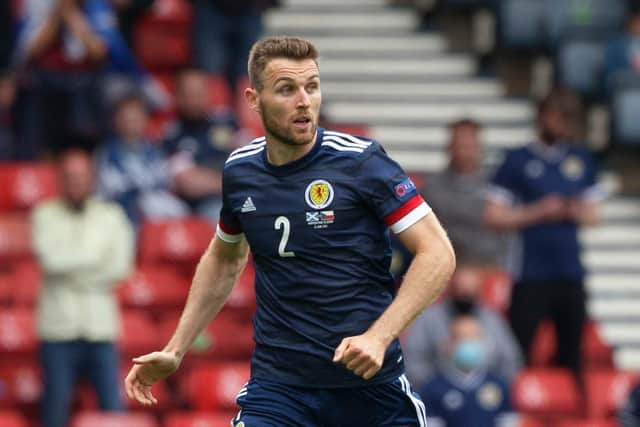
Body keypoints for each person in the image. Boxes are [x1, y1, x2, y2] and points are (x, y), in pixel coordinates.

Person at [124, 36, 456, 426]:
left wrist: (380, 336)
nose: (304, 101)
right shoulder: (240, 171)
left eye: (311, 87)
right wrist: (176, 348)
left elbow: (438, 253)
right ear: (253, 100)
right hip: (280, 388)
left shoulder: (362, 163)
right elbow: (225, 258)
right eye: (287, 89)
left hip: (369, 389)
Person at [484, 89, 602, 380]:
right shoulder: (517, 160)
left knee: (572, 352)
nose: (559, 123)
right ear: (540, 117)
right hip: (530, 272)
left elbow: (594, 214)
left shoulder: (580, 159)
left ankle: (570, 413)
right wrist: (537, 211)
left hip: (569, 270)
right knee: (519, 348)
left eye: (565, 117)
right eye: (553, 115)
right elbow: (493, 215)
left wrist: (568, 208)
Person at [31, 149, 135, 427]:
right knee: (54, 411)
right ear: (59, 180)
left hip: (101, 330)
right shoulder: (44, 214)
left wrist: (72, 266)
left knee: (113, 412)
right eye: (69, 176)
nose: (76, 182)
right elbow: (51, 261)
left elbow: (120, 268)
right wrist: (95, 260)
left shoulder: (112, 214)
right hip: (57, 331)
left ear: (92, 179)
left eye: (81, 176)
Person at [404, 264, 522, 390]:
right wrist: (436, 386)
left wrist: (496, 387)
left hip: (485, 392)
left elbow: (511, 361)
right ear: (450, 288)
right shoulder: (428, 319)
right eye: (460, 291)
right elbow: (412, 360)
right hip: (438, 393)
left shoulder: (492, 319)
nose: (465, 296)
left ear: (479, 291)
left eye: (470, 292)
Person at [423, 118, 509, 267]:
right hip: (451, 264)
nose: (464, 151)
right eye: (459, 145)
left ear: (479, 146)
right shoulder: (432, 187)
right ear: (449, 147)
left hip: (493, 264)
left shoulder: (497, 181)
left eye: (469, 145)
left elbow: (504, 220)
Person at [96, 93, 188, 226]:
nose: (132, 123)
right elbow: (111, 190)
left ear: (145, 120)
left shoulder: (155, 150)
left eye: (136, 118)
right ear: (116, 121)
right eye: (127, 119)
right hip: (120, 211)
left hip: (155, 208)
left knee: (181, 213)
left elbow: (163, 182)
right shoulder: (106, 154)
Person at [162, 69, 239, 223]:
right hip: (206, 204)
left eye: (199, 93)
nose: (195, 100)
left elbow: (256, 161)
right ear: (177, 97)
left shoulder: (227, 121)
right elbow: (188, 183)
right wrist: (235, 183)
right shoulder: (173, 135)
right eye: (189, 94)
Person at [419, 315, 516, 427]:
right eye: (462, 338)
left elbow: (508, 422)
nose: (469, 343)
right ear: (448, 344)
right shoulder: (432, 390)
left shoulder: (500, 386)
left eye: (475, 337)